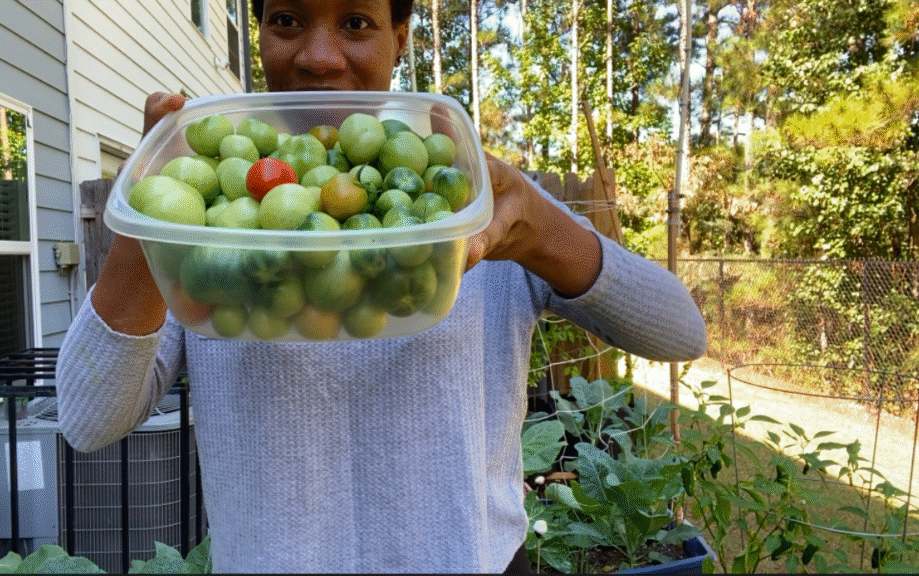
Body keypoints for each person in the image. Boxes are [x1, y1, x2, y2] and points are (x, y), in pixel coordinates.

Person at [55, 0, 707, 572]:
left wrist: (543, 232)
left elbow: (680, 330)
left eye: (356, 22)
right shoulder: (214, 228)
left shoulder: (468, 202)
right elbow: (87, 419)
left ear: (400, 35)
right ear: (257, 35)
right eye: (286, 20)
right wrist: (152, 211)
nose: (318, 55)